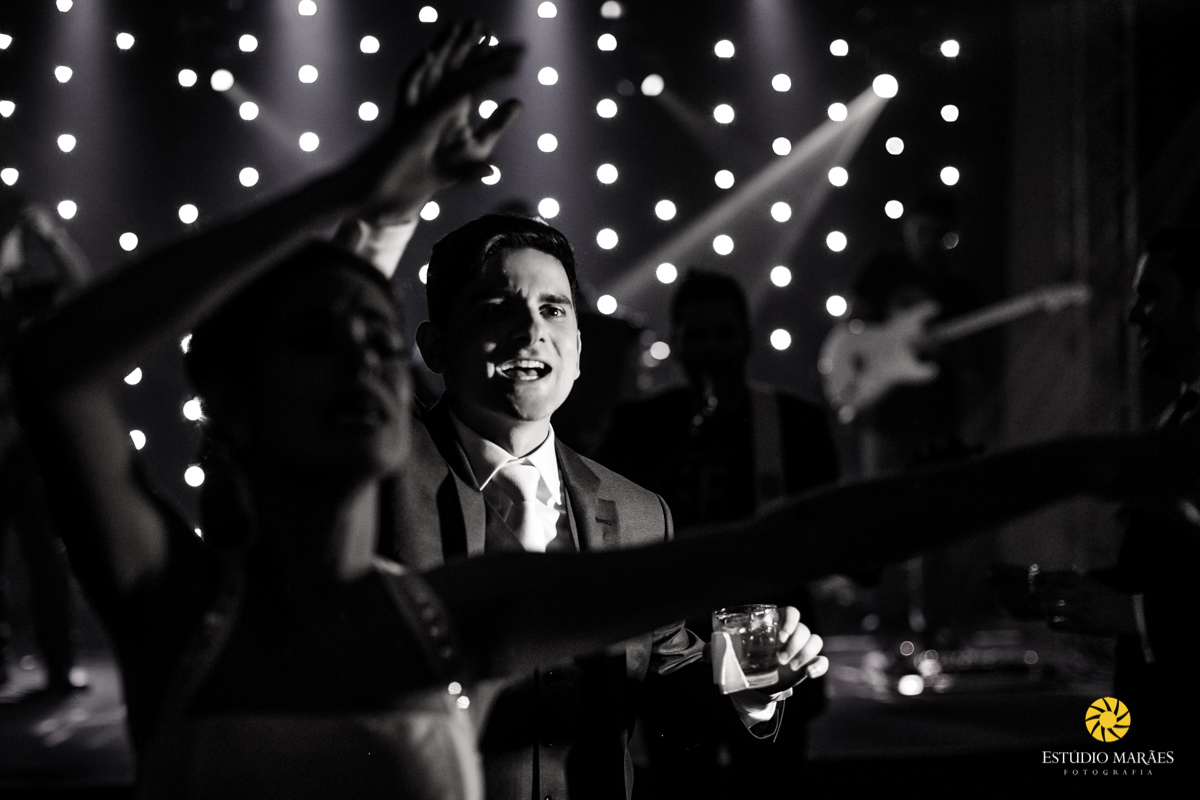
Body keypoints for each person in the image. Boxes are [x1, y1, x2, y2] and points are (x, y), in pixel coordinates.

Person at [11, 21, 1199, 799]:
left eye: (556, 310)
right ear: (230, 408)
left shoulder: (463, 612)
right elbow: (54, 366)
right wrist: (363, 191)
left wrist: (1085, 462)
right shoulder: (179, 600)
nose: (362, 359)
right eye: (326, 340)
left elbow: (800, 539)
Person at [384, 220, 807, 800]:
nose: (532, 330)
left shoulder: (639, 513)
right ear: (435, 345)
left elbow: (668, 696)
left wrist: (751, 693)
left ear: (579, 349)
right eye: (498, 309)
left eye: (553, 310)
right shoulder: (376, 487)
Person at [601, 270, 841, 794]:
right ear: (677, 343)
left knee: (769, 781)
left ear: (747, 339)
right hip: (674, 635)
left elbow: (836, 539)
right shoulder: (641, 426)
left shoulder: (794, 422)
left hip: (764, 626)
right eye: (697, 335)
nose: (711, 349)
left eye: (723, 334)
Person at [1024, 228, 1200, 746]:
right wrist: (1074, 591)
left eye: (1152, 296)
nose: (1133, 315)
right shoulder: (1181, 413)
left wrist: (1134, 614)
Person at [0, 202, 91, 698]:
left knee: (46, 557)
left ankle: (59, 663)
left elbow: (81, 288)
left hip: (26, 448)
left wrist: (51, 237)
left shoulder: (26, 297)